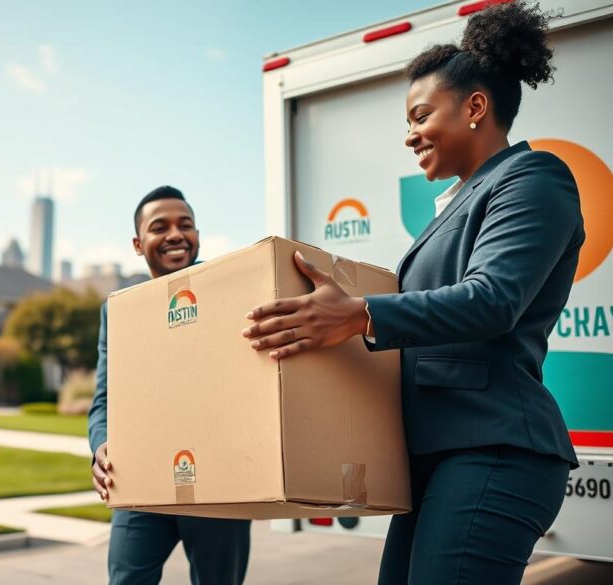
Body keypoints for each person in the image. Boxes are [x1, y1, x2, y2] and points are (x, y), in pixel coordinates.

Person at [240, 2, 582, 584]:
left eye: (420, 115)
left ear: (475, 107)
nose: (409, 135)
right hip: (437, 460)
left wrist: (360, 314)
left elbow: (493, 299)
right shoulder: (453, 206)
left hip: (494, 449)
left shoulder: (534, 178)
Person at [89, 185, 251, 585]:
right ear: (138, 244)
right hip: (142, 479)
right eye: (160, 227)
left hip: (220, 484)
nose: (176, 234)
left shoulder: (230, 288)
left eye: (186, 225)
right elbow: (104, 400)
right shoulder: (120, 310)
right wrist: (100, 447)